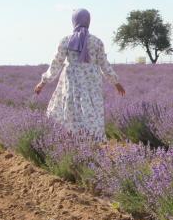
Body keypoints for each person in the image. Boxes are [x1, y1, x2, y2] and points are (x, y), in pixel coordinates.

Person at [34, 9, 125, 141]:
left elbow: (57, 63)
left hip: (71, 81)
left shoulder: (66, 41)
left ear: (74, 21)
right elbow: (104, 64)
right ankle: (92, 139)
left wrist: (43, 82)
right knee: (91, 109)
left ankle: (72, 140)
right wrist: (116, 82)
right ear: (88, 21)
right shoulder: (96, 42)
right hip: (92, 82)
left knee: (71, 109)